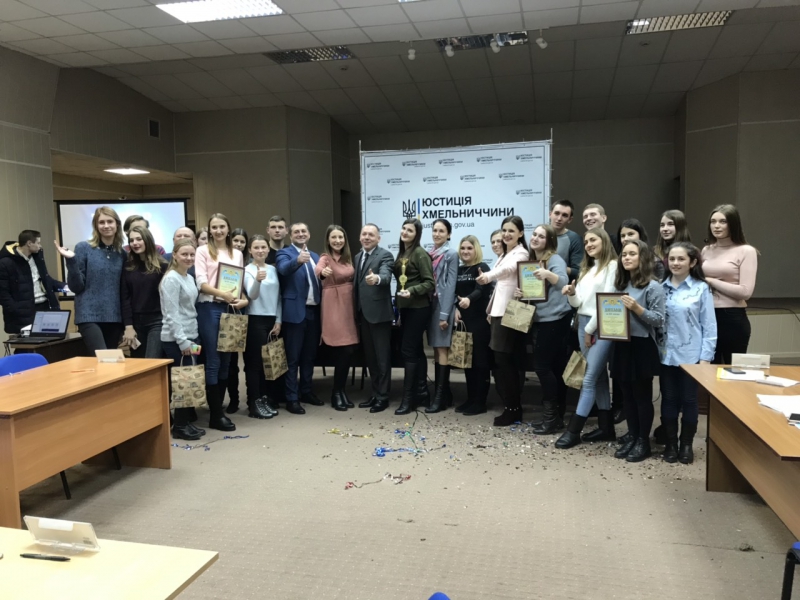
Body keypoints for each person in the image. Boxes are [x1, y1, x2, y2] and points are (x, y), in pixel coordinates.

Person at [555, 228, 618, 448]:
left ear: (604, 241)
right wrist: (572, 293)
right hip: (583, 324)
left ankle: (573, 431)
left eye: (593, 240)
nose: (589, 244)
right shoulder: (587, 268)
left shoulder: (613, 266)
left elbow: (608, 301)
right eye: (586, 241)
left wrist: (590, 329)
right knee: (598, 377)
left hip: (601, 325)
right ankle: (606, 428)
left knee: (589, 378)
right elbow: (578, 303)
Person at [660, 242, 717, 464]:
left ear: (692, 262)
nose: (675, 263)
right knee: (668, 399)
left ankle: (686, 445)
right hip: (666, 354)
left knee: (689, 400)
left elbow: (709, 325)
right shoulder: (660, 287)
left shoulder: (701, 288)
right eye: (672, 259)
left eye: (681, 259)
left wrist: (705, 357)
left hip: (691, 355)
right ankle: (671, 444)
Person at [609, 240, 665, 462]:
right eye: (624, 254)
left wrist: (637, 308)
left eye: (632, 254)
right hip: (621, 344)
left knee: (642, 397)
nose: (627, 258)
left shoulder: (653, 286)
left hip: (642, 346)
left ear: (643, 258)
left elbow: (659, 319)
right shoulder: (620, 285)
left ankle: (643, 441)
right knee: (627, 396)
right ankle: (632, 435)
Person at [195, 213, 248, 431]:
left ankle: (219, 410)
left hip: (230, 309)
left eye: (222, 227)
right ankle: (215, 415)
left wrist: (242, 299)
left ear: (228, 229)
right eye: (214, 227)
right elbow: (201, 284)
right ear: (209, 230)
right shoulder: (202, 251)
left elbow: (239, 283)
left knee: (227, 361)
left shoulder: (237, 253)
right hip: (209, 307)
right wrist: (222, 294)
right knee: (214, 361)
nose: (218, 231)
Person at [517, 224, 572, 434]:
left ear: (549, 241)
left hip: (555, 320)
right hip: (541, 319)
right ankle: (556, 417)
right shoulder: (531, 261)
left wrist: (547, 273)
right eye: (534, 234)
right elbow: (536, 293)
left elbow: (564, 282)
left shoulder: (554, 259)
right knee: (555, 368)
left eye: (541, 236)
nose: (536, 238)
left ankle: (550, 418)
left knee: (541, 367)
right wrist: (522, 294)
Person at [475, 215, 529, 426]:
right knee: (502, 361)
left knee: (506, 362)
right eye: (504, 230)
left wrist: (488, 276)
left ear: (521, 233)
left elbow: (507, 271)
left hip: (510, 313)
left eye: (511, 231)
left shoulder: (521, 253)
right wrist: (490, 311)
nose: (506, 234)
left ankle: (513, 408)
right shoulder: (505, 253)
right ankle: (511, 406)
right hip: (499, 313)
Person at [55, 206, 127, 353]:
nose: (106, 226)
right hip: (88, 316)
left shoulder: (122, 253)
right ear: (96, 225)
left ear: (117, 224)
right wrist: (71, 261)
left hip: (114, 317)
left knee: (110, 360)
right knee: (102, 357)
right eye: (101, 222)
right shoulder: (84, 248)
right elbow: (76, 287)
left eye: (110, 221)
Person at [159, 238, 205, 441]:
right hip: (176, 339)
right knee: (182, 382)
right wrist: (182, 341)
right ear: (175, 255)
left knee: (188, 381)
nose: (188, 258)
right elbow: (171, 314)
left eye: (192, 254)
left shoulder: (188, 277)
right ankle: (179, 426)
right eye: (184, 254)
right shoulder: (171, 279)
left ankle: (185, 422)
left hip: (191, 335)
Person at [701, 204, 758, 365]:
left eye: (723, 221)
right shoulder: (706, 250)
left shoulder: (746, 251)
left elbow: (745, 292)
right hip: (706, 315)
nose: (716, 226)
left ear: (733, 224)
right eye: (713, 221)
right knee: (706, 370)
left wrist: (711, 281)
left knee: (732, 371)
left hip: (731, 317)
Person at [276, 222, 323, 415]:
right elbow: (283, 269)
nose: (300, 234)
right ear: (290, 235)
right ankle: (292, 398)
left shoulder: (315, 256)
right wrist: (297, 261)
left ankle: (306, 391)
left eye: (304, 231)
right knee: (292, 358)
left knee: (309, 357)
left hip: (314, 312)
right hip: (295, 313)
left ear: (309, 234)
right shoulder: (285, 253)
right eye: (296, 232)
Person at [393, 218, 435, 416]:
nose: (405, 232)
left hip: (419, 308)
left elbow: (429, 283)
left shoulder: (419, 253)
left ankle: (408, 399)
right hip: (406, 308)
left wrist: (412, 290)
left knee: (408, 351)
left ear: (417, 234)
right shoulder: (403, 253)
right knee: (416, 350)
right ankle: (422, 392)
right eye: (404, 228)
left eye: (410, 230)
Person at [315, 225, 359, 411]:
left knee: (348, 350)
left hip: (349, 306)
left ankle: (341, 391)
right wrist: (322, 273)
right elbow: (318, 269)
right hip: (334, 305)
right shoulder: (325, 257)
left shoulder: (348, 258)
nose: (337, 241)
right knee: (342, 349)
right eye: (333, 237)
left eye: (340, 237)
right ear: (328, 240)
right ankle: (336, 392)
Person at [353, 224, 395, 414]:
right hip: (363, 314)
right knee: (370, 358)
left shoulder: (385, 255)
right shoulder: (357, 257)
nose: (367, 237)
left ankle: (383, 397)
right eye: (364, 234)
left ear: (379, 238)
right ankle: (375, 393)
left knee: (382, 358)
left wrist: (377, 278)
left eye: (371, 235)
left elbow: (386, 275)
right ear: (360, 237)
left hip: (379, 315)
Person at [243, 234, 282, 420]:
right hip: (255, 319)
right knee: (255, 364)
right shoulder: (247, 270)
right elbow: (252, 295)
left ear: (268, 249)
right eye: (256, 247)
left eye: (263, 247)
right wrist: (257, 280)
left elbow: (279, 297)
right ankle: (254, 402)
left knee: (268, 363)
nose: (260, 251)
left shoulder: (273, 269)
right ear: (250, 251)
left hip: (271, 319)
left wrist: (278, 320)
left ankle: (264, 398)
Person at [454, 234, 493, 416]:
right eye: (463, 248)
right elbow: (453, 292)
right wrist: (455, 308)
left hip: (480, 321)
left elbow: (481, 289)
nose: (465, 251)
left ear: (476, 249)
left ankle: (480, 402)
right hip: (464, 321)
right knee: (467, 362)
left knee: (480, 362)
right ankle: (471, 399)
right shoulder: (458, 269)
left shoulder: (482, 267)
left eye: (469, 248)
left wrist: (469, 299)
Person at [0, 230, 63, 335]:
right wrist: (17, 310)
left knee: (50, 341)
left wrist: (66, 286)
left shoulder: (37, 257)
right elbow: (3, 294)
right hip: (22, 314)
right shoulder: (5, 263)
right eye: (38, 243)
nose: (40, 246)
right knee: (28, 343)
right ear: (29, 243)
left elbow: (45, 280)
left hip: (44, 307)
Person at [426, 218, 459, 414]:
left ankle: (439, 398)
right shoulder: (430, 253)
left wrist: (445, 314)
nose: (437, 234)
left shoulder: (451, 254)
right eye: (435, 230)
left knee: (442, 349)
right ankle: (445, 394)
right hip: (432, 305)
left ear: (448, 234)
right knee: (437, 350)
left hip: (443, 306)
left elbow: (450, 285)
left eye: (441, 231)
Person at [120, 226, 167, 358]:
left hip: (157, 321)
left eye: (139, 239)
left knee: (152, 361)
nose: (135, 243)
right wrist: (128, 326)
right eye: (131, 240)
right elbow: (125, 298)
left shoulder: (163, 266)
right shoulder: (128, 266)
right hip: (135, 323)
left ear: (147, 240)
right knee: (138, 363)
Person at [223, 227, 249, 413]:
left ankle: (243, 398)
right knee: (230, 362)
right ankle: (233, 400)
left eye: (242, 241)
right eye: (236, 241)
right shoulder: (225, 261)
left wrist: (245, 300)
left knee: (246, 361)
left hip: (246, 314)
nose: (239, 244)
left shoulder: (249, 263)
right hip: (228, 314)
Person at [550, 200, 583, 280]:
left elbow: (578, 271)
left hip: (562, 286)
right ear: (550, 214)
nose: (559, 218)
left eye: (564, 215)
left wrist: (554, 267)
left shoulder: (574, 239)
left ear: (570, 219)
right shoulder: (539, 234)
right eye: (556, 213)